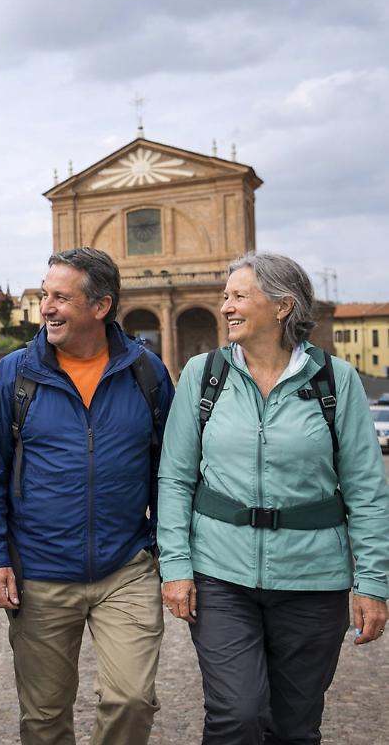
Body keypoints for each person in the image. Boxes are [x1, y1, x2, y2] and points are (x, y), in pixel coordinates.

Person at [158, 251, 389, 743]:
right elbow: (175, 479)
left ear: (283, 307)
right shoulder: (203, 375)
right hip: (221, 575)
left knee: (295, 726)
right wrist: (176, 567)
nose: (226, 307)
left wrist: (372, 582)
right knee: (236, 715)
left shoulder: (335, 380)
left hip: (313, 580)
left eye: (239, 296)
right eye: (225, 297)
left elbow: (367, 492)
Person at [0, 247, 174, 745]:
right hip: (39, 573)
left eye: (61, 297)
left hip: (125, 567)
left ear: (100, 306)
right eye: (44, 295)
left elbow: (170, 471)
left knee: (131, 699)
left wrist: (166, 549)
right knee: (43, 717)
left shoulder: (147, 374)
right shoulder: (15, 374)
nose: (46, 307)